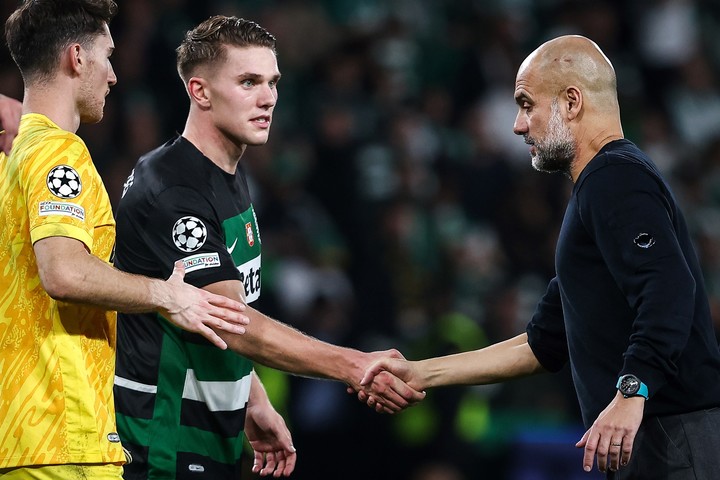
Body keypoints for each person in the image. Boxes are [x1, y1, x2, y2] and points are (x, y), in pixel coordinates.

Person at [360, 35, 720, 479]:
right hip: (652, 437)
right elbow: (542, 343)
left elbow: (669, 288)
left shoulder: (614, 177)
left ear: (571, 101)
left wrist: (632, 391)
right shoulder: (599, 191)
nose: (517, 124)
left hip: (670, 435)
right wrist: (421, 373)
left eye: (527, 104)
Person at [112, 15, 425, 480]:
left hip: (209, 437)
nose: (268, 98)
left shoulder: (228, 175)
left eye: (273, 82)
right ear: (200, 91)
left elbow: (215, 318)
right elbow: (234, 323)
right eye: (248, 82)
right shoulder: (174, 191)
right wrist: (352, 364)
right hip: (163, 442)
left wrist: (253, 398)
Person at [0, 2, 249, 479]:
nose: (113, 75)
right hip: (64, 436)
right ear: (76, 58)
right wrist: (166, 294)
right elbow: (65, 272)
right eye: (106, 56)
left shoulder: (12, 157)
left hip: (19, 435)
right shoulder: (58, 153)